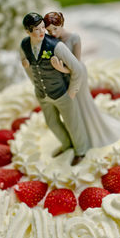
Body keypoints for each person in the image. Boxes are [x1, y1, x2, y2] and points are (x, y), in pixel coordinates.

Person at [43, 11, 120, 153]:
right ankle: (79, 138)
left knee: (82, 104)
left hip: (77, 74)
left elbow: (77, 64)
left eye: (55, 28)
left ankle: (94, 136)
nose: (53, 33)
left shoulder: (74, 38)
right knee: (73, 110)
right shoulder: (51, 41)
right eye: (49, 30)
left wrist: (61, 68)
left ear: (61, 24)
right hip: (63, 76)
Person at [20, 12, 90, 162]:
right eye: (36, 30)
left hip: (61, 92)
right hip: (42, 94)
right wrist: (35, 84)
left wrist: (72, 90)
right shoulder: (24, 45)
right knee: (52, 123)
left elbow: (77, 68)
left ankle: (81, 150)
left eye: (42, 28)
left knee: (72, 122)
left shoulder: (56, 45)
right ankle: (66, 145)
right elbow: (27, 67)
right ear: (27, 31)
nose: (41, 32)